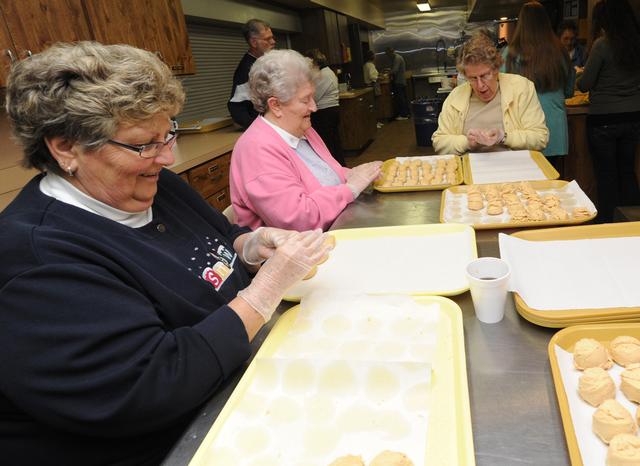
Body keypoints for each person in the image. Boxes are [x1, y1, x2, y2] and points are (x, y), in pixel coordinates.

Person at [0, 41, 333, 465]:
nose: (168, 155)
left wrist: (253, 246)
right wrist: (265, 290)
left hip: (232, 386)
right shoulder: (37, 258)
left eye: (169, 132)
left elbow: (221, 236)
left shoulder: (152, 185)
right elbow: (149, 386)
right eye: (144, 144)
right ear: (66, 148)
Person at [229, 49, 382, 231]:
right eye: (305, 100)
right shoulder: (256, 149)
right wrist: (351, 188)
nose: (314, 107)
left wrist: (352, 174)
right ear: (275, 105)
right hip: (296, 251)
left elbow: (326, 174)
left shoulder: (302, 129)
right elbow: (298, 219)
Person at [432, 31, 549, 155]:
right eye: (473, 78)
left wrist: (504, 137)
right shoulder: (456, 97)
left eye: (485, 75)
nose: (480, 86)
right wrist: (467, 142)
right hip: (470, 168)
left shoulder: (521, 88)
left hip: (514, 168)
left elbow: (540, 138)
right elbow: (439, 142)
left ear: (496, 69)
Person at [577, 0, 640, 222]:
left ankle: (607, 223)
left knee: (606, 175)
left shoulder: (603, 45)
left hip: (604, 119)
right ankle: (633, 222)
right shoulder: (636, 44)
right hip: (633, 117)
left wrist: (578, 77)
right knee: (627, 170)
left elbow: (585, 84)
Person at [502, 1, 575, 176]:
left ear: (521, 24)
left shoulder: (509, 53)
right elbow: (569, 90)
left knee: (524, 187)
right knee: (551, 184)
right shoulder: (560, 51)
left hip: (522, 129)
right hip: (554, 129)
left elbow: (502, 91)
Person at [228, 18, 276, 129]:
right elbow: (236, 107)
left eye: (272, 37)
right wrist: (257, 128)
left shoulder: (263, 62)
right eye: (267, 39)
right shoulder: (247, 69)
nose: (273, 42)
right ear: (254, 42)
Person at [304, 48, 345, 166]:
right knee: (333, 142)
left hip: (326, 112)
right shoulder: (328, 72)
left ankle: (335, 166)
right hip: (331, 111)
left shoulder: (324, 74)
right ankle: (339, 165)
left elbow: (315, 97)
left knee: (328, 143)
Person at [385, 47, 410, 120]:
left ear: (390, 52)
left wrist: (387, 73)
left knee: (401, 99)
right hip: (401, 81)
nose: (388, 56)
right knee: (403, 98)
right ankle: (406, 113)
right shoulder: (397, 58)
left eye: (388, 54)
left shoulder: (397, 58)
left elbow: (395, 70)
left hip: (399, 81)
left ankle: (404, 115)